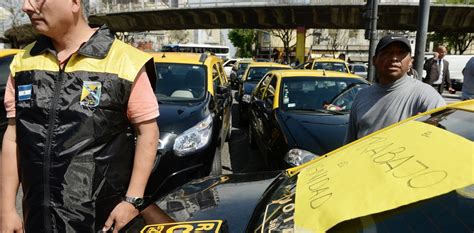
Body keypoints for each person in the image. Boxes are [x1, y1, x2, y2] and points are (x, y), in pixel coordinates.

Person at [0, 0, 162, 232]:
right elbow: (13, 136)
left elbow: (148, 132)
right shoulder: (23, 62)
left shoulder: (125, 61)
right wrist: (6, 209)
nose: (26, 7)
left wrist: (132, 200)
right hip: (37, 219)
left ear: (74, 3)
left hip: (101, 222)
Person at [345, 35, 446, 144]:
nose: (394, 58)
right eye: (387, 52)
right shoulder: (362, 96)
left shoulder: (426, 95)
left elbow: (444, 139)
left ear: (410, 62)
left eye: (401, 53)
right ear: (374, 60)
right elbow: (349, 144)